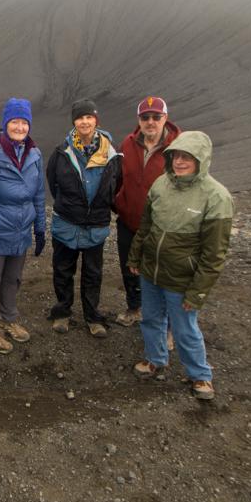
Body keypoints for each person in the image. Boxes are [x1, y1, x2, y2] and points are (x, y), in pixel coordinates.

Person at [127, 131, 233, 401]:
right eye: (176, 156)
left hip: (182, 277)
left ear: (201, 159)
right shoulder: (161, 185)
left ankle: (200, 375)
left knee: (185, 327)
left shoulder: (216, 197)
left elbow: (214, 254)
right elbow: (146, 227)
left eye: (187, 157)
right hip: (152, 270)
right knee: (151, 318)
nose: (180, 162)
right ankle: (155, 359)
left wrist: (198, 291)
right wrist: (135, 257)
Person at [46, 98, 122, 337]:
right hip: (67, 223)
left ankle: (92, 316)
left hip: (96, 225)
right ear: (74, 122)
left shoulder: (111, 154)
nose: (84, 121)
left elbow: (117, 184)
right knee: (63, 270)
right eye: (80, 117)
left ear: (96, 120)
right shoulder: (62, 153)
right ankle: (62, 312)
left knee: (93, 274)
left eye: (89, 117)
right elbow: (53, 183)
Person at [0, 98, 46, 354]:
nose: (19, 127)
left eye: (24, 122)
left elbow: (38, 194)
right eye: (14, 121)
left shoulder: (35, 154)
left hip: (21, 229)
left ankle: (9, 318)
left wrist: (39, 228)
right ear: (6, 124)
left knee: (13, 278)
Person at [112, 96, 182, 328]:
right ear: (139, 120)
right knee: (129, 269)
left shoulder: (179, 147)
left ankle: (169, 325)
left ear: (165, 118)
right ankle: (135, 308)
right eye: (145, 117)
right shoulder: (128, 144)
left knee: (163, 274)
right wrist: (118, 203)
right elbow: (117, 178)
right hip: (130, 221)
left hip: (162, 227)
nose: (150, 122)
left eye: (156, 117)